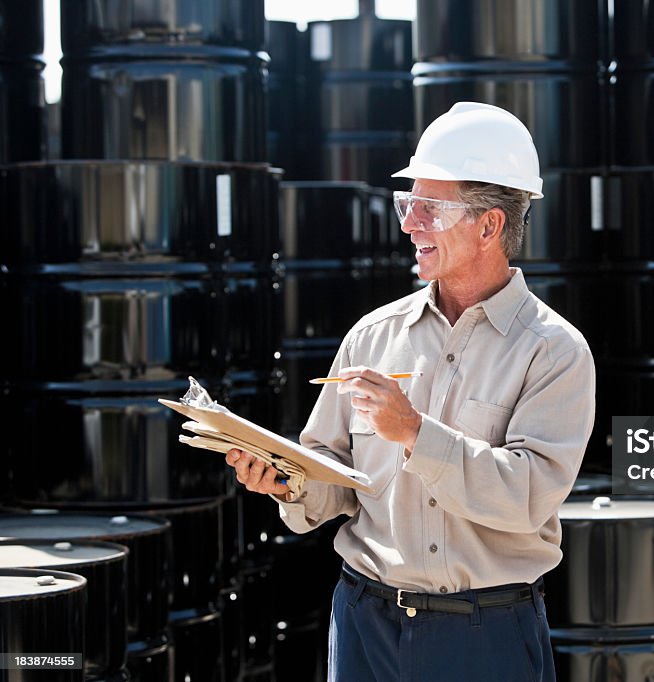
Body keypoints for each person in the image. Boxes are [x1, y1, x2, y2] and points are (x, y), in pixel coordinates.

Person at [226, 101, 596, 681]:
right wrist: (288, 480)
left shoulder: (553, 351)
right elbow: (336, 478)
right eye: (407, 203)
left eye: (429, 208)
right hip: (363, 624)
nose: (409, 224)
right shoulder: (372, 336)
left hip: (483, 636)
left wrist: (417, 435)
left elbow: (529, 497)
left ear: (489, 224)